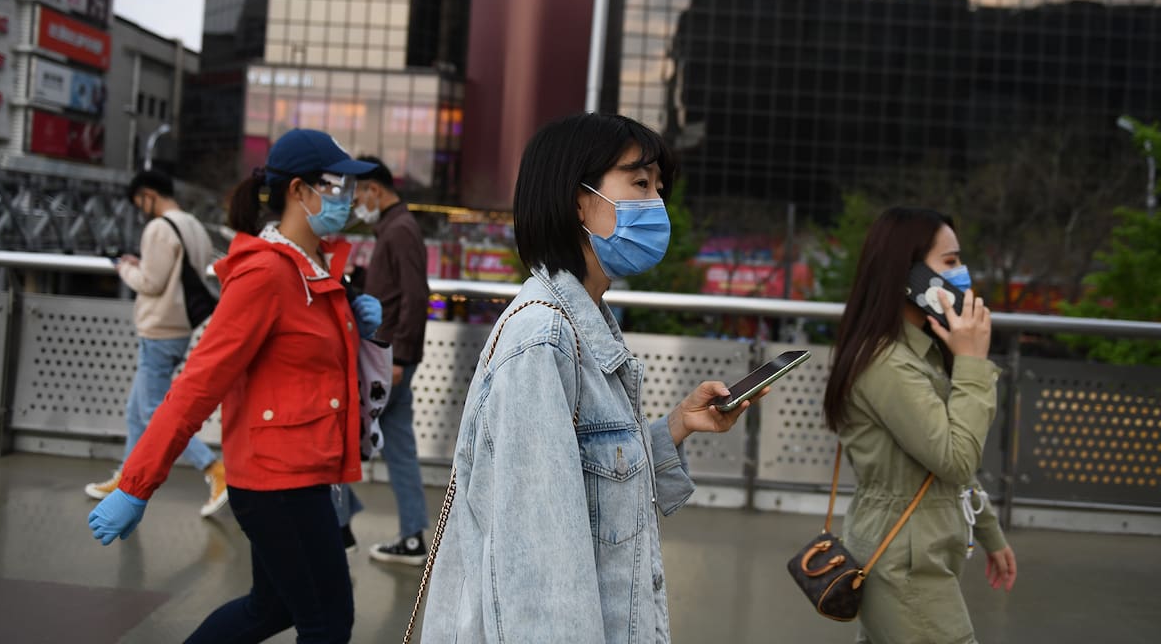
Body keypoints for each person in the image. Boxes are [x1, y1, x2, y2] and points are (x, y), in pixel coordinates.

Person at [420, 113, 752, 642]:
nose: (656, 205)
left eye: (659, 189)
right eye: (639, 183)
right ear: (579, 200)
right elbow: (541, 570)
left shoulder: (584, 322)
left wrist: (674, 428)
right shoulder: (543, 340)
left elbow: (582, 481)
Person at [86, 129, 383, 644]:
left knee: (269, 609)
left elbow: (305, 361)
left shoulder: (312, 267)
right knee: (328, 621)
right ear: (298, 191)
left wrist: (354, 320)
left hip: (297, 470)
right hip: (278, 481)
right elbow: (196, 386)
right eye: (336, 184)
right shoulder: (266, 273)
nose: (348, 197)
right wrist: (137, 486)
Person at [822, 207, 1018, 644]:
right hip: (902, 565)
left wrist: (989, 531)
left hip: (915, 554)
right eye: (949, 262)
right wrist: (971, 362)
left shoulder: (920, 353)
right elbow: (955, 457)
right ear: (908, 275)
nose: (963, 274)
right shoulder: (886, 363)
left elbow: (943, 469)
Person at [84, 169, 226, 518]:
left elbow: (151, 283)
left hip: (160, 329)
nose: (141, 210)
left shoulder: (159, 227)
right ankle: (126, 478)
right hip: (179, 325)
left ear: (149, 194)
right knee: (136, 411)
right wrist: (141, 263)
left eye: (140, 202)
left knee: (153, 413)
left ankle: (214, 469)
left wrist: (124, 269)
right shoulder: (193, 225)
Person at [352, 155, 431, 566]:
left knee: (344, 435)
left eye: (357, 193)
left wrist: (399, 356)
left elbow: (416, 297)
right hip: (390, 357)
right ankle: (413, 536)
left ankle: (337, 523)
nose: (354, 203)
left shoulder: (398, 231)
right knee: (398, 445)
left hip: (388, 359)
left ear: (375, 190)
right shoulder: (396, 228)